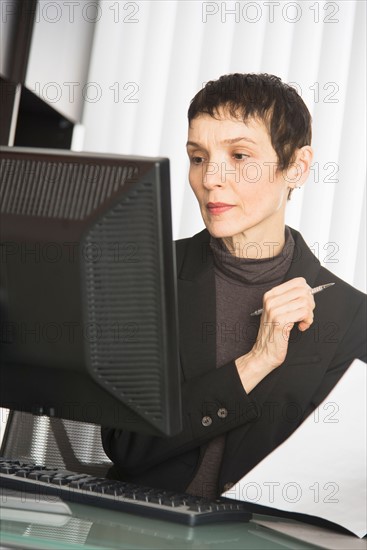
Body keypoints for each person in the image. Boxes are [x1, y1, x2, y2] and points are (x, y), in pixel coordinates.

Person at [101, 73, 367, 500]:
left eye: (240, 155)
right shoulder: (150, 274)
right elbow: (128, 444)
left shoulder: (351, 316)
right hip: (138, 528)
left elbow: (338, 479)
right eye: (198, 157)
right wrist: (256, 362)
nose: (210, 179)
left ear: (296, 167)